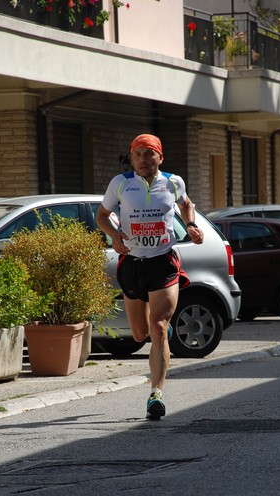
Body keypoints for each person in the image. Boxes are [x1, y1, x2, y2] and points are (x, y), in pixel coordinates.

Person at [96, 133, 204, 420]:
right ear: (132, 158)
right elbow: (102, 215)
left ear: (160, 157)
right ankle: (160, 334)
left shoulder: (173, 182)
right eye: (138, 155)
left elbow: (186, 204)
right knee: (139, 334)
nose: (143, 160)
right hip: (131, 264)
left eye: (149, 154)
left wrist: (190, 225)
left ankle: (155, 394)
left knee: (156, 327)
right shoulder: (121, 184)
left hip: (163, 262)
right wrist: (114, 236)